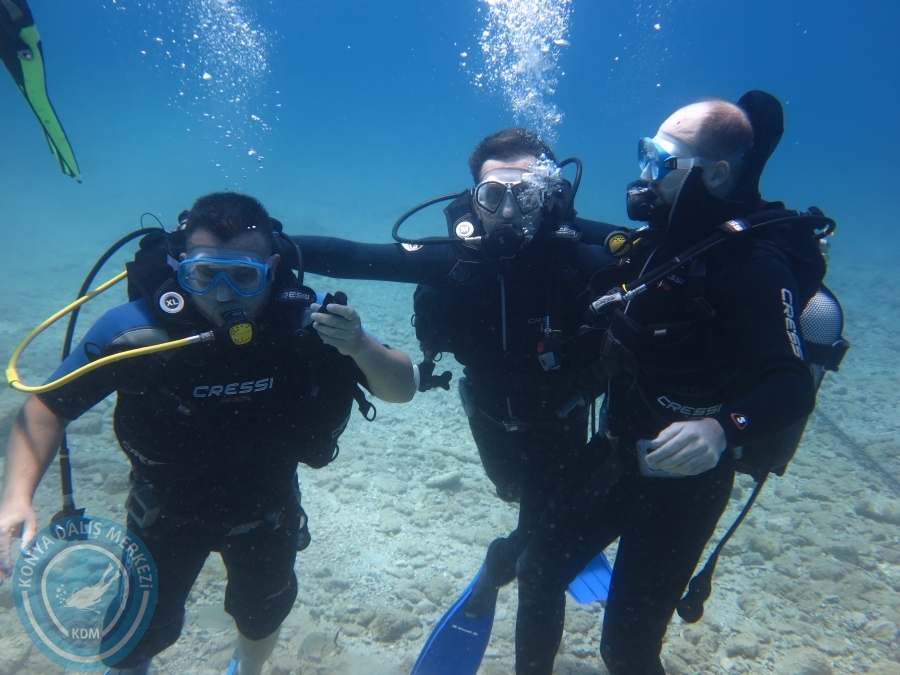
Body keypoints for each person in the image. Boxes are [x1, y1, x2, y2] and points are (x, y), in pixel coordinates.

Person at [0, 192, 416, 675]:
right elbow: (47, 407)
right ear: (180, 267)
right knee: (138, 632)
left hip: (267, 509)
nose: (223, 295)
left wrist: (360, 346)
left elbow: (401, 388)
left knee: (262, 613)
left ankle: (247, 671)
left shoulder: (310, 322)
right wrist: (15, 498)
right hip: (164, 512)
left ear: (272, 268)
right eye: (203, 275)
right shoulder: (137, 333)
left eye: (243, 276)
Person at [513, 92, 837, 674]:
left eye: (661, 161)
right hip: (614, 451)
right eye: (645, 152)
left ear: (715, 175)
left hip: (685, 486)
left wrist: (721, 429)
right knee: (536, 571)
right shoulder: (667, 237)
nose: (644, 174)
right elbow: (595, 246)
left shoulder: (755, 265)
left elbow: (790, 385)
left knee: (627, 650)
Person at [291, 128, 617, 623]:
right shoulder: (453, 261)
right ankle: (546, 532)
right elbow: (355, 256)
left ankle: (502, 566)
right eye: (493, 195)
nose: (508, 211)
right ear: (474, 198)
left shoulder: (582, 256)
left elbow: (673, 252)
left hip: (563, 416)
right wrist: (261, 244)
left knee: (539, 536)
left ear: (552, 196)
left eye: (526, 195)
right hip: (487, 411)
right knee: (512, 490)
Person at [0, 0, 80, 181]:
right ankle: (69, 167)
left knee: (37, 100)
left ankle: (69, 166)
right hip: (15, 34)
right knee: (37, 100)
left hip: (19, 34)